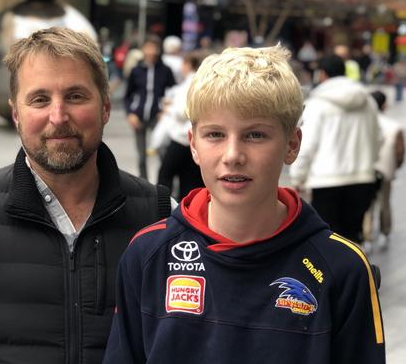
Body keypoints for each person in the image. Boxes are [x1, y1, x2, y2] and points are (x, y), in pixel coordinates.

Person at [0, 27, 172, 363]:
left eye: (76, 96)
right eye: (40, 99)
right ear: (16, 113)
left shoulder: (162, 219)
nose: (58, 116)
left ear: (105, 107)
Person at [103, 45, 386, 363]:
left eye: (255, 135)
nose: (233, 155)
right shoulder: (147, 254)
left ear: (292, 145)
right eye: (215, 135)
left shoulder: (343, 270)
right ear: (193, 144)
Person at [289, 54, 381, 248]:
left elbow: (307, 144)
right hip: (362, 179)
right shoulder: (368, 101)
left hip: (327, 181)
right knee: (353, 241)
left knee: (329, 242)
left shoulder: (318, 105)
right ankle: (355, 277)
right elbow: (378, 137)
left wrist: (298, 177)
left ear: (322, 74)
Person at [124, 35, 176, 179]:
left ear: (159, 50)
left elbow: (173, 93)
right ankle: (143, 184)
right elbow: (127, 96)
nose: (151, 51)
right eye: (148, 47)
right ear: (143, 49)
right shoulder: (136, 71)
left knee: (162, 152)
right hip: (138, 116)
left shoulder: (166, 70)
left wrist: (166, 111)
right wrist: (130, 114)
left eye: (154, 48)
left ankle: (163, 186)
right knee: (141, 157)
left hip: (158, 117)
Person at [155, 51, 205, 200]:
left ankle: (162, 208)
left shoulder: (190, 83)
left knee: (165, 175)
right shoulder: (201, 81)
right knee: (189, 179)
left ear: (189, 65)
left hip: (180, 138)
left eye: (184, 64)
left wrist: (168, 109)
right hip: (192, 138)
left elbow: (184, 111)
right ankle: (189, 211)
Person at [364, 91, 405, 250]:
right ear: (384, 105)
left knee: (368, 204)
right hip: (386, 169)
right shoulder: (394, 126)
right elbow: (400, 152)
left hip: (367, 169)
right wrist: (395, 166)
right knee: (385, 202)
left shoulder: (365, 123)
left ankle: (367, 235)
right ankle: (384, 232)